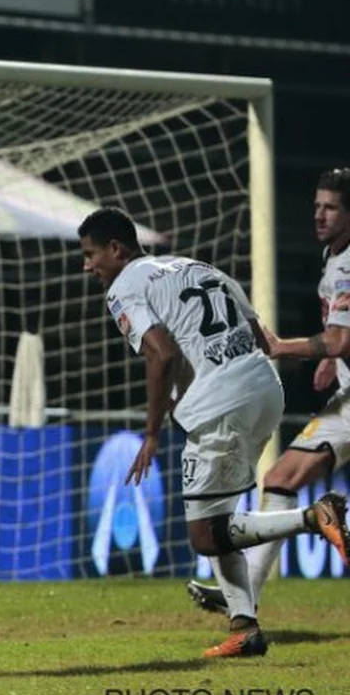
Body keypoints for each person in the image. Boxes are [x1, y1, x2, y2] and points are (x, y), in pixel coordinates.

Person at [78, 207, 349, 658]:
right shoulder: (200, 268)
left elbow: (160, 354)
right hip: (265, 388)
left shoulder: (124, 287)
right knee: (220, 518)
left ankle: (314, 517)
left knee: (205, 534)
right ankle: (244, 627)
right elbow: (263, 338)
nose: (88, 266)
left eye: (91, 255)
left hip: (218, 400)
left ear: (116, 249)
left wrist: (150, 433)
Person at [188, 168, 350, 615]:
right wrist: (332, 358)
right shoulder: (334, 255)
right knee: (280, 478)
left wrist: (284, 347)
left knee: (281, 478)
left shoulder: (348, 264)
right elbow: (340, 338)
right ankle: (247, 596)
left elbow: (339, 338)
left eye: (331, 207)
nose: (319, 214)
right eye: (317, 205)